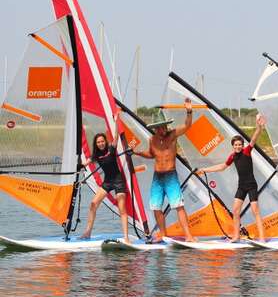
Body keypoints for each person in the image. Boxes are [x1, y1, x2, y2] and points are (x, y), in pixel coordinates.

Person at [133, 98, 196, 243]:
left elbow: (187, 126)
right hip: (157, 177)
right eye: (158, 127)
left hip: (170, 176)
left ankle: (189, 236)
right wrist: (138, 153)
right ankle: (163, 234)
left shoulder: (173, 135)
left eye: (162, 127)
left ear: (166, 126)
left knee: (178, 206)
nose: (161, 130)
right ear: (155, 128)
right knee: (155, 207)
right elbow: (151, 154)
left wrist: (189, 111)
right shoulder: (152, 139)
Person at [197, 114, 266, 242]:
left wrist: (259, 127)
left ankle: (262, 238)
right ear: (233, 146)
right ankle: (236, 236)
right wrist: (204, 169)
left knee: (255, 211)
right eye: (236, 145)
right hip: (241, 186)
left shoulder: (246, 151)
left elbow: (254, 139)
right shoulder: (233, 156)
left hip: (251, 185)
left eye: (240, 144)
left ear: (242, 145)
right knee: (235, 211)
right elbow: (222, 167)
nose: (238, 147)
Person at [80, 110, 130, 243]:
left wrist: (116, 121)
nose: (101, 143)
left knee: (122, 209)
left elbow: (116, 136)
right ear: (96, 145)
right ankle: (87, 232)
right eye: (98, 142)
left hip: (118, 181)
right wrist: (79, 166)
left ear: (104, 142)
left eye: (102, 141)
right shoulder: (96, 156)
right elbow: (86, 163)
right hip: (107, 182)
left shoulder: (111, 149)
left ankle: (126, 238)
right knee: (93, 204)